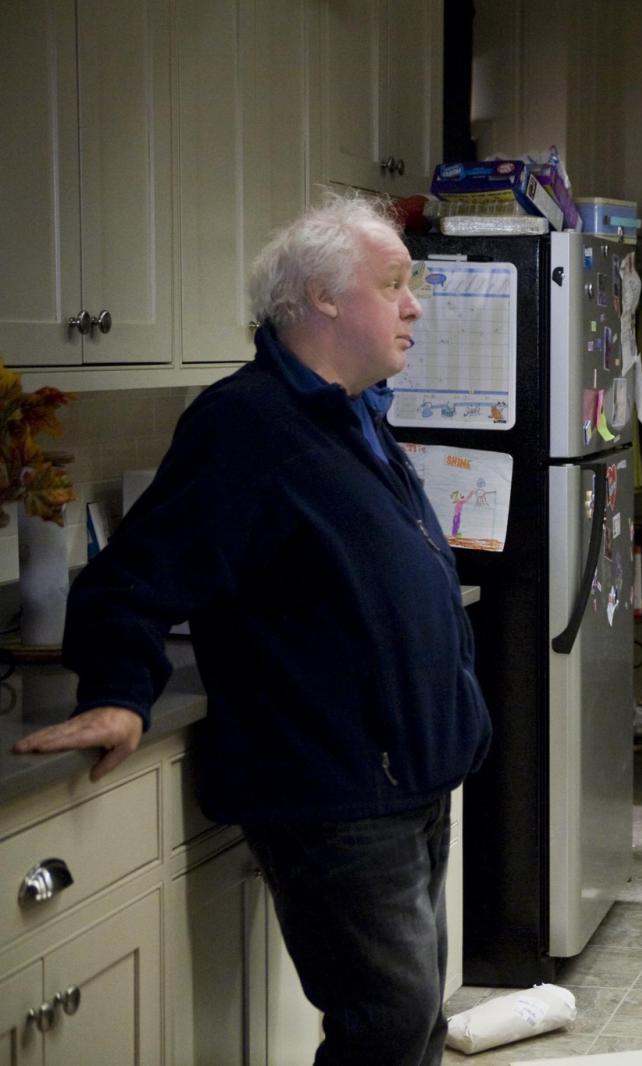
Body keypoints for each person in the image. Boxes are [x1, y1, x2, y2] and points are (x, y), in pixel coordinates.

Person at [12, 195, 491, 1065]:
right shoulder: (247, 424)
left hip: (412, 778)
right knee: (385, 1026)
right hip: (337, 791)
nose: (415, 306)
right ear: (324, 297)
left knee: (416, 1019)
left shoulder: (355, 414)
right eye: (394, 284)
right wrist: (119, 694)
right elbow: (129, 580)